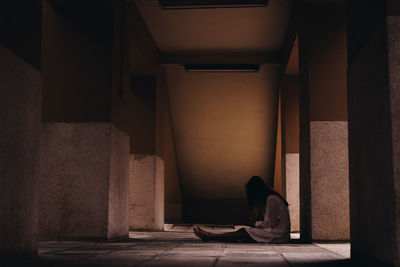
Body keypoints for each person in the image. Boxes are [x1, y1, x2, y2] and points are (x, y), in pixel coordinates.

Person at [193, 176, 290, 243]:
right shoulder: (272, 198)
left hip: (278, 236)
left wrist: (256, 224)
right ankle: (209, 235)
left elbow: (270, 223)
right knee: (243, 234)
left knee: (243, 232)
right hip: (277, 234)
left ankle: (209, 236)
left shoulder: (271, 199)